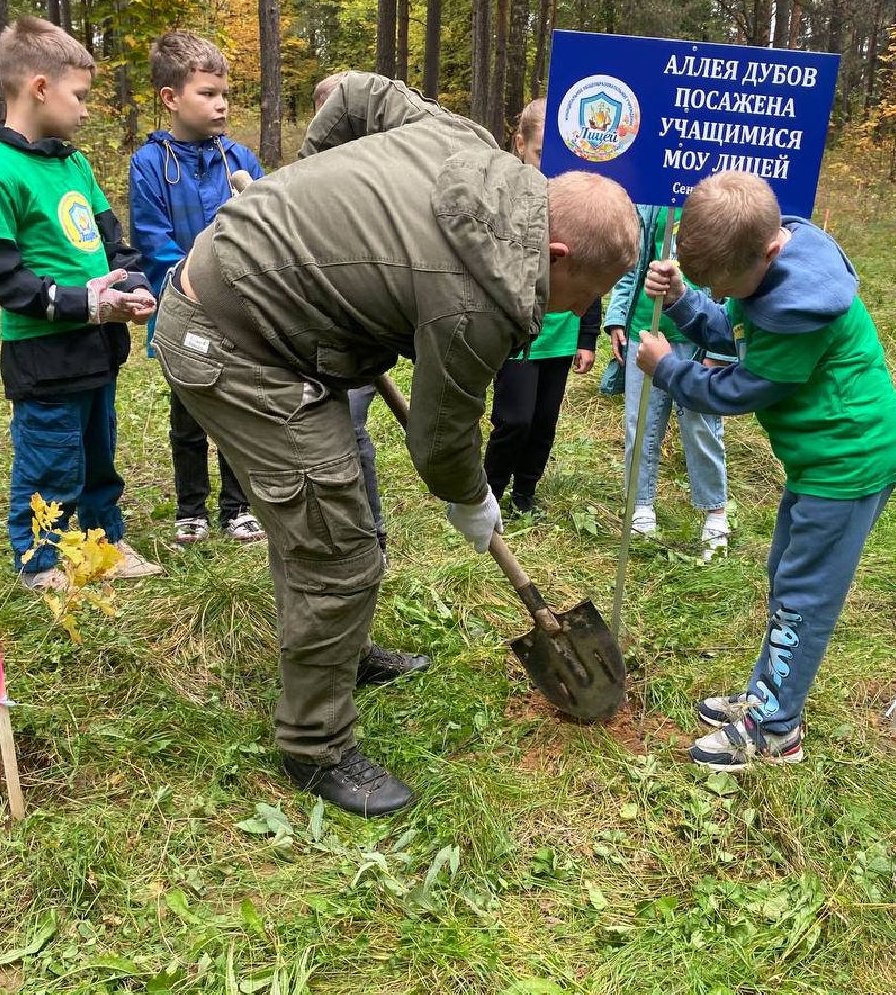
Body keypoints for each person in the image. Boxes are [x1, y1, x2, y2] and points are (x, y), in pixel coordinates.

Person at [153, 72, 639, 816]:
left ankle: (334, 653)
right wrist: (474, 500)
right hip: (229, 338)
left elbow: (354, 93)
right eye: (581, 297)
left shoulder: (466, 145)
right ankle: (314, 746)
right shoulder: (481, 300)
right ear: (559, 248)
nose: (569, 312)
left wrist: (288, 198)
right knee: (337, 542)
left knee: (326, 521)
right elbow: (441, 443)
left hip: (273, 319)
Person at [634, 171, 896, 767]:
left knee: (802, 596)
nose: (719, 292)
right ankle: (766, 694)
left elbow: (737, 387)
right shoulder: (766, 275)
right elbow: (732, 329)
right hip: (819, 466)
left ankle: (776, 727)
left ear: (769, 251)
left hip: (847, 466)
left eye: (720, 282)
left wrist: (668, 371)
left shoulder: (801, 308)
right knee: (786, 575)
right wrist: (685, 300)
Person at [0, 17, 162, 592]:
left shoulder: (73, 164)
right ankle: (40, 562)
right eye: (80, 95)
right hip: (44, 353)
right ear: (41, 88)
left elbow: (114, 242)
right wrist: (87, 304)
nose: (86, 108)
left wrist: (134, 284)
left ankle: (103, 543)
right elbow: (6, 279)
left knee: (99, 453)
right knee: (50, 457)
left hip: (97, 348)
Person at [129, 32, 266, 546]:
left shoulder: (241, 161)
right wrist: (195, 285)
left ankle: (238, 506)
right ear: (171, 98)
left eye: (224, 92)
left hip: (240, 311)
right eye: (207, 93)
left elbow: (267, 228)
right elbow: (152, 239)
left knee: (236, 409)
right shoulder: (150, 165)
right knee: (188, 412)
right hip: (183, 309)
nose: (222, 103)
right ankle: (191, 508)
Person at [482, 98, 602, 515]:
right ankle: (490, 494)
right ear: (519, 144)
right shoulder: (504, 197)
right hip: (517, 334)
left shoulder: (579, 200)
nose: (550, 165)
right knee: (515, 419)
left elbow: (591, 271)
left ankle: (525, 493)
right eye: (540, 154)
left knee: (544, 422)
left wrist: (588, 335)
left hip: (561, 335)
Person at [605, 206, 732, 559]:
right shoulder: (652, 204)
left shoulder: (719, 201)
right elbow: (632, 265)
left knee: (700, 423)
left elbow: (735, 275)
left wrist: (722, 350)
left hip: (699, 334)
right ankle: (640, 505)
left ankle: (715, 513)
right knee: (640, 422)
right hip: (645, 331)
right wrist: (618, 318)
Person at [311, 71, 390, 555]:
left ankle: (370, 533)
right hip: (311, 338)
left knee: (349, 430)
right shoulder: (307, 178)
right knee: (326, 433)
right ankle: (335, 534)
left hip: (362, 339)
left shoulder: (379, 176)